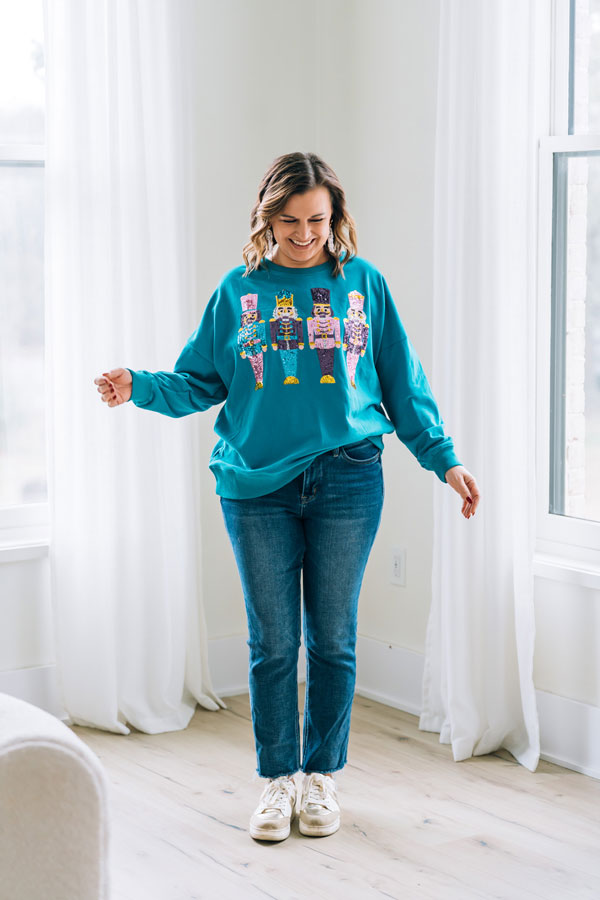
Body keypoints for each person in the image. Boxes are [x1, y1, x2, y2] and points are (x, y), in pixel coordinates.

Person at [94, 151, 481, 843]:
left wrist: (444, 461)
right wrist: (139, 385)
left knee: (333, 638)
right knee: (273, 641)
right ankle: (278, 779)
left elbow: (403, 383)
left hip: (349, 476)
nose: (305, 235)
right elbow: (198, 381)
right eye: (291, 221)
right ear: (267, 218)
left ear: (336, 218)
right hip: (255, 486)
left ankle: (321, 776)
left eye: (318, 221)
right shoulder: (239, 290)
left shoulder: (363, 284)